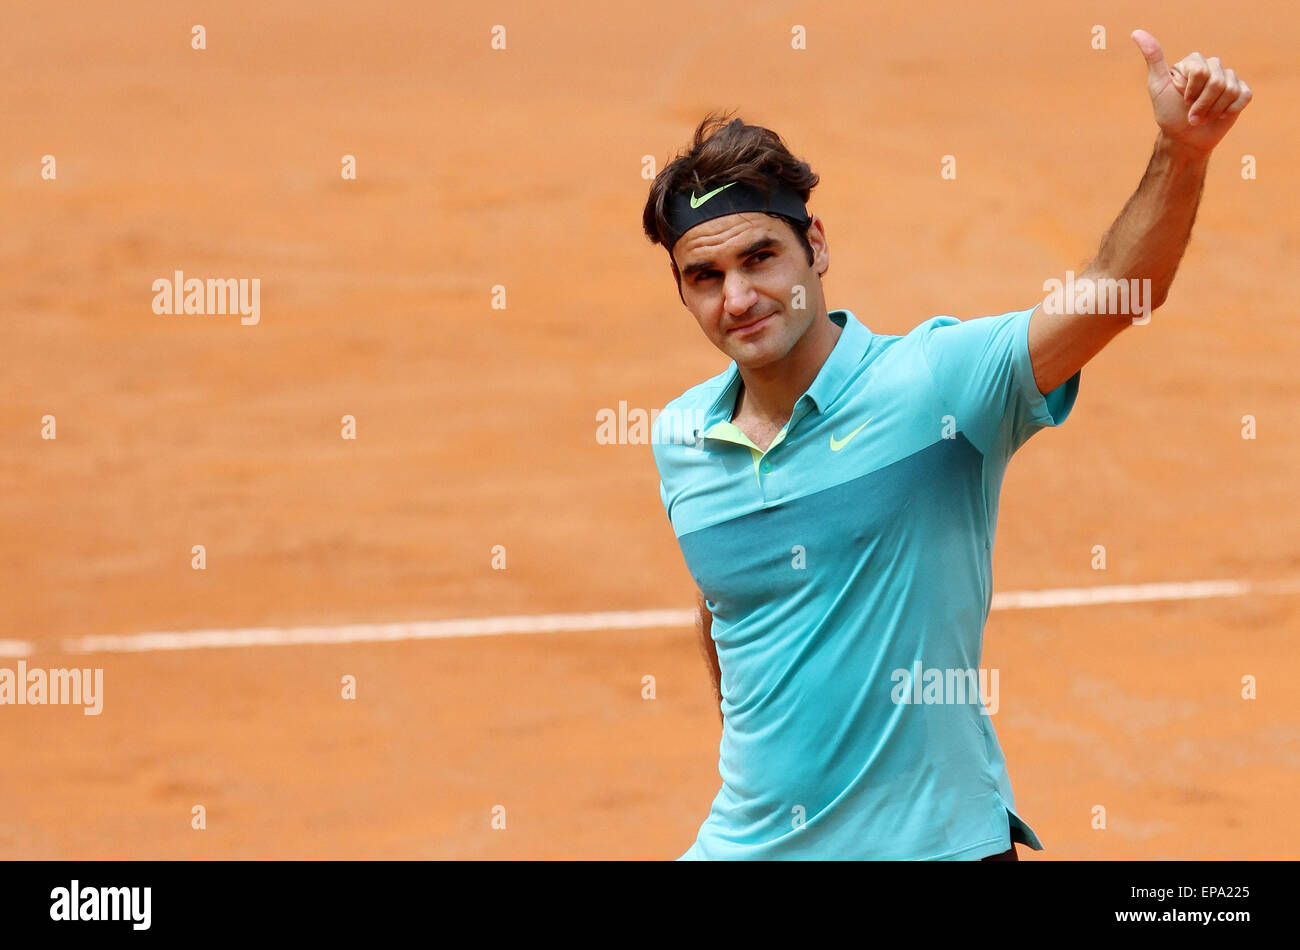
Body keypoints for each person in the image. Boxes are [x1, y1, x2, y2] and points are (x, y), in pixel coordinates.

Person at [641, 30, 1252, 860]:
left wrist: (1181, 152)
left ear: (815, 246)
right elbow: (724, 610)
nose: (739, 298)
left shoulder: (938, 385)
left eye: (761, 258)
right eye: (704, 277)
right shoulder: (681, 438)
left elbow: (1115, 293)